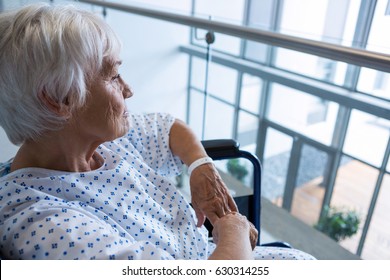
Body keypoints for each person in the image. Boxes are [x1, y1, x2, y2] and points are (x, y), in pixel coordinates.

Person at [0, 3, 314, 260]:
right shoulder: (48, 225)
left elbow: (168, 127)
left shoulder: (98, 145)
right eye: (112, 76)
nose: (128, 90)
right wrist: (233, 229)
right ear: (59, 100)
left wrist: (200, 167)